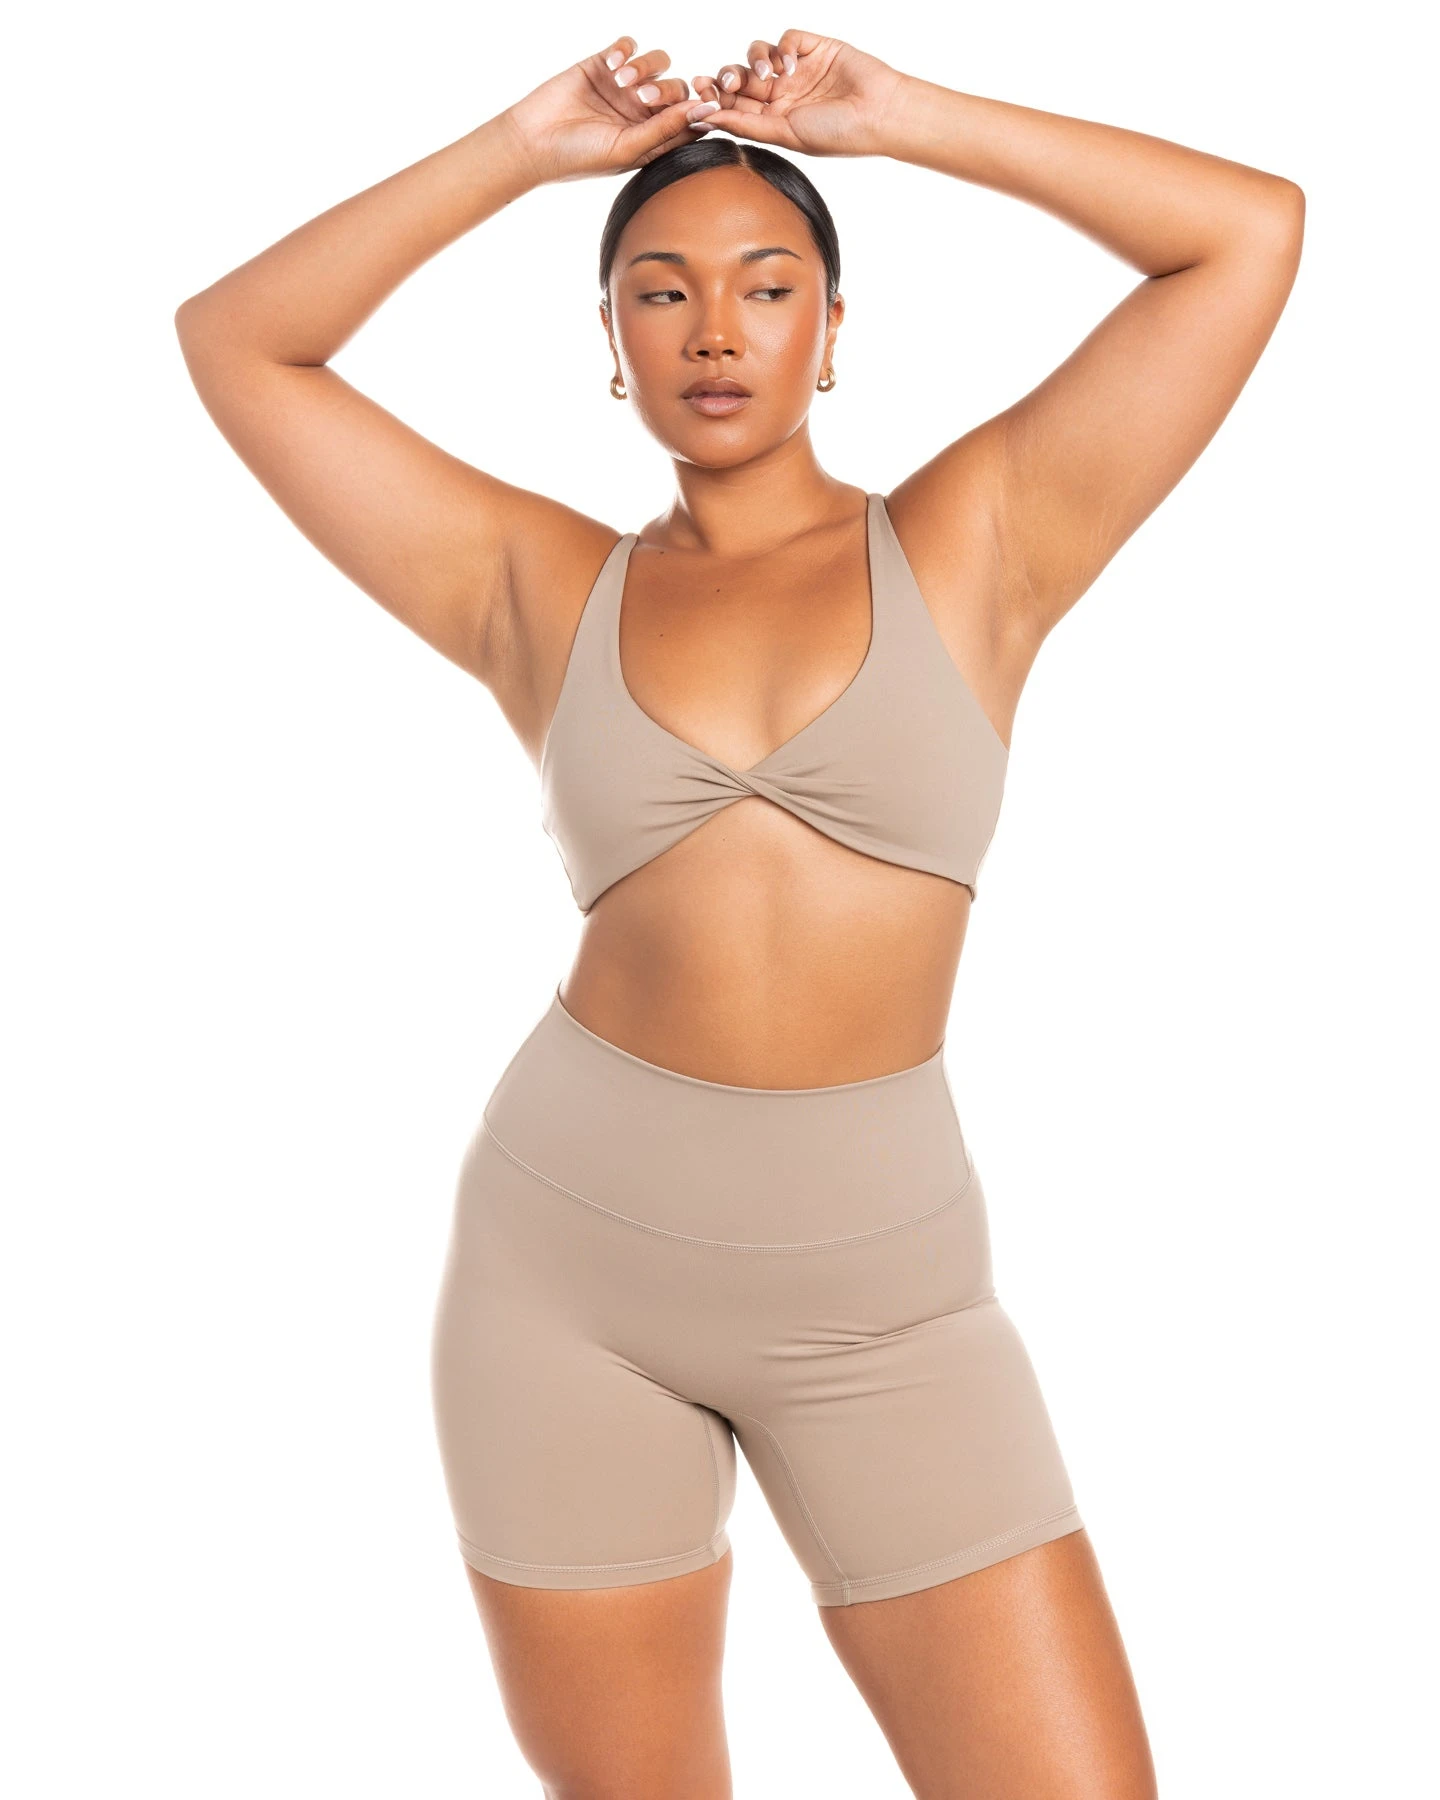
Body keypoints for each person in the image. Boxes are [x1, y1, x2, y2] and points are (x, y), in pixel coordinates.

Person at [174, 28, 1303, 1798]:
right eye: (662, 293)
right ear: (611, 343)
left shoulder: (979, 542)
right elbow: (236, 340)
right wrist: (516, 148)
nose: (715, 331)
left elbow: (1246, 234)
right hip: (569, 1288)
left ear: (833, 331)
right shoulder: (539, 585)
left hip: (888, 1313)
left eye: (769, 287)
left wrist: (901, 118)